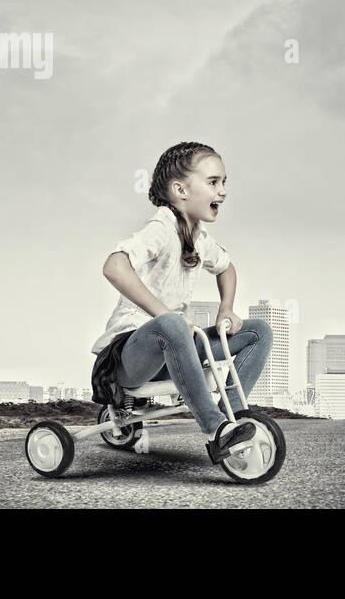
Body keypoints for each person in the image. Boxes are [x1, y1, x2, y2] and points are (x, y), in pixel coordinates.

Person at [91, 141, 272, 464]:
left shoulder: (199, 237)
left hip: (177, 346)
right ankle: (216, 431)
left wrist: (226, 307)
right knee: (171, 323)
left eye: (224, 182)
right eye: (213, 182)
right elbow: (114, 266)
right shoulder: (161, 227)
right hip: (131, 357)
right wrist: (164, 314)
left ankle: (232, 418)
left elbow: (226, 267)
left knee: (258, 332)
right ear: (180, 190)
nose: (223, 191)